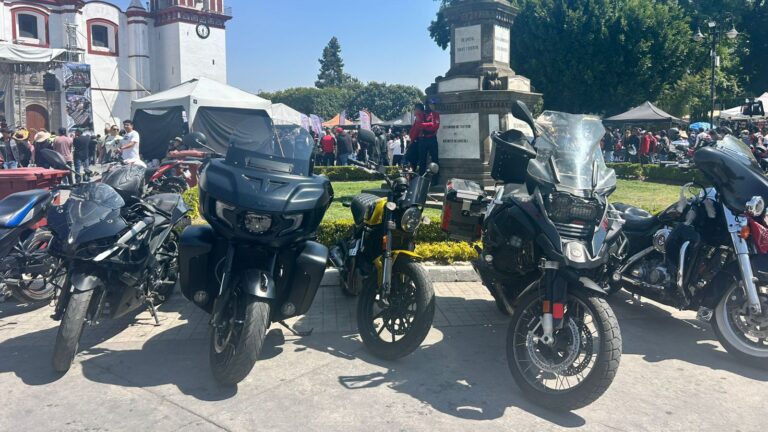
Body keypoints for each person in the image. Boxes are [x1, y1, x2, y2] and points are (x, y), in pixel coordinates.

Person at [411, 100, 441, 177]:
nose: (431, 106)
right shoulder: (420, 115)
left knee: (435, 160)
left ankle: (435, 180)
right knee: (422, 161)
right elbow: (418, 126)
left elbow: (435, 126)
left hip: (432, 139)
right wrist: (429, 125)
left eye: (433, 104)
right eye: (429, 104)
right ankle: (422, 179)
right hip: (422, 140)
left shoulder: (436, 114)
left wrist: (424, 125)